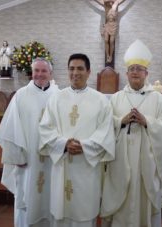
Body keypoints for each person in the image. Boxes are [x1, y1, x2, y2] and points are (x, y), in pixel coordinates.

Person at [101, 40, 162, 227]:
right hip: (120, 158)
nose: (135, 72)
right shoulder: (116, 98)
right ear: (126, 73)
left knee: (142, 196)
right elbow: (104, 124)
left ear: (146, 73)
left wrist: (147, 122)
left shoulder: (159, 99)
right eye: (131, 68)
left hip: (146, 163)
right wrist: (121, 121)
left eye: (139, 69)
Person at [39, 53, 115, 227]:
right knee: (60, 213)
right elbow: (45, 128)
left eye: (80, 68)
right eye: (72, 68)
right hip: (62, 162)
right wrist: (63, 143)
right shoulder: (56, 98)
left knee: (84, 213)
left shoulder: (101, 100)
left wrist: (84, 146)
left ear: (88, 72)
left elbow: (106, 131)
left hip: (86, 168)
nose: (75, 73)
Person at [0, 58, 59, 227]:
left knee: (51, 195)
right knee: (28, 194)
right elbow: (11, 128)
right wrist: (17, 156)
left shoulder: (59, 96)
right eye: (36, 71)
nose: (39, 74)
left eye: (43, 71)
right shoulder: (21, 95)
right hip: (28, 159)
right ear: (32, 73)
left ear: (50, 73)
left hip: (52, 160)